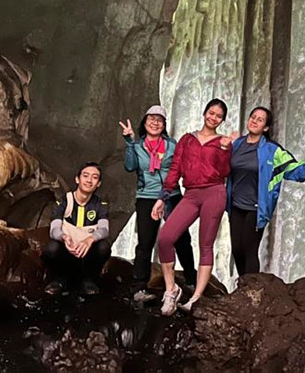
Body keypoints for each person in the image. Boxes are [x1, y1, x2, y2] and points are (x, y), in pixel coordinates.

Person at [227, 106, 305, 276]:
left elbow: (294, 167)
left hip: (257, 207)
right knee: (237, 250)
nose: (254, 121)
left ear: (265, 128)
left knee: (249, 249)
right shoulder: (237, 144)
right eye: (253, 117)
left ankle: (250, 290)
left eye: (260, 119)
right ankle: (243, 286)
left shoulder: (271, 150)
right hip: (235, 204)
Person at [152, 98, 235, 315]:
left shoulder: (223, 143)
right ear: (204, 113)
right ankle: (171, 289)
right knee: (166, 237)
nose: (213, 117)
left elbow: (225, 172)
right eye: (211, 112)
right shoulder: (187, 140)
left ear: (222, 120)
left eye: (218, 115)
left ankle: (196, 297)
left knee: (205, 245)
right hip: (190, 195)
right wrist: (162, 197)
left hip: (214, 193)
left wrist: (225, 149)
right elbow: (175, 170)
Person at [119, 104, 197, 303]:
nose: (155, 123)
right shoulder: (137, 146)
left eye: (159, 120)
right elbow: (130, 167)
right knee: (145, 241)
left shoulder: (172, 145)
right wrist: (129, 142)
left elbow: (181, 168)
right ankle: (139, 287)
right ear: (144, 123)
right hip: (146, 196)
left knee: (181, 238)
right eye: (151, 119)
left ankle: (191, 279)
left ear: (164, 125)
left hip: (171, 195)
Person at [42, 162, 111, 295]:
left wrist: (90, 239)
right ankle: (59, 279)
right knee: (51, 249)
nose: (89, 180)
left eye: (94, 177)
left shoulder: (100, 204)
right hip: (67, 249)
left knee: (103, 247)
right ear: (77, 179)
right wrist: (64, 237)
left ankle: (88, 280)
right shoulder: (64, 201)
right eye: (85, 176)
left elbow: (104, 229)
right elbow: (54, 229)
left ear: (99, 183)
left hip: (86, 253)